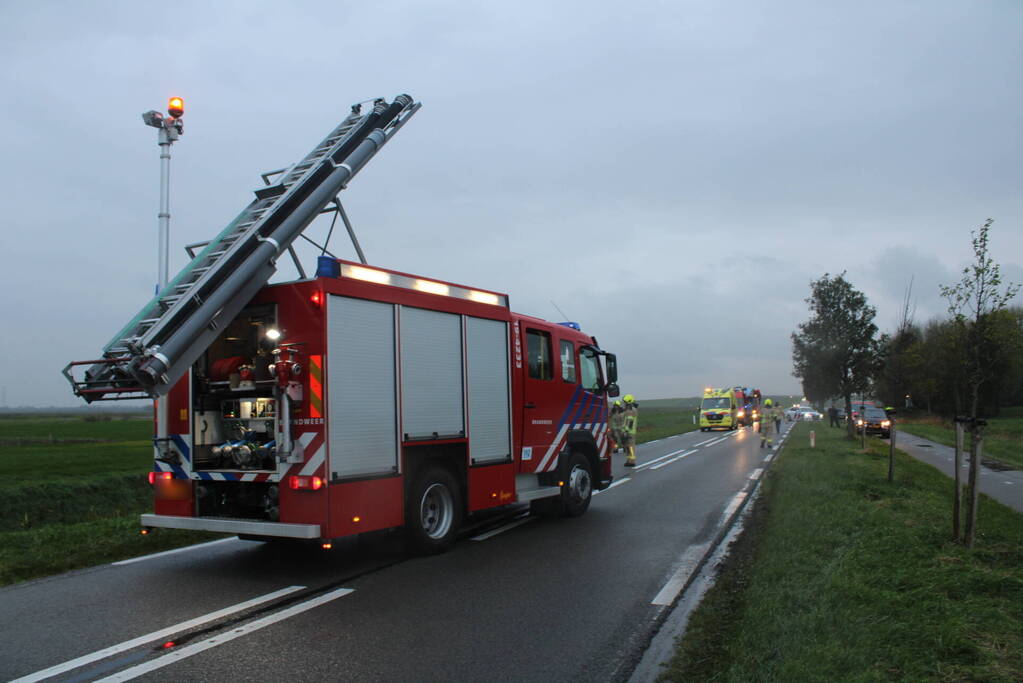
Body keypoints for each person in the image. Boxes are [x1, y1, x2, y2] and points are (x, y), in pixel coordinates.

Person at [622, 394, 639, 467]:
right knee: (628, 447)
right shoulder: (630, 410)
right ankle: (629, 460)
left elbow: (629, 422)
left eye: (624, 402)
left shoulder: (630, 411)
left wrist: (625, 431)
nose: (623, 404)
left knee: (630, 447)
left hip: (629, 432)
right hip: (629, 432)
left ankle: (632, 461)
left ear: (628, 403)